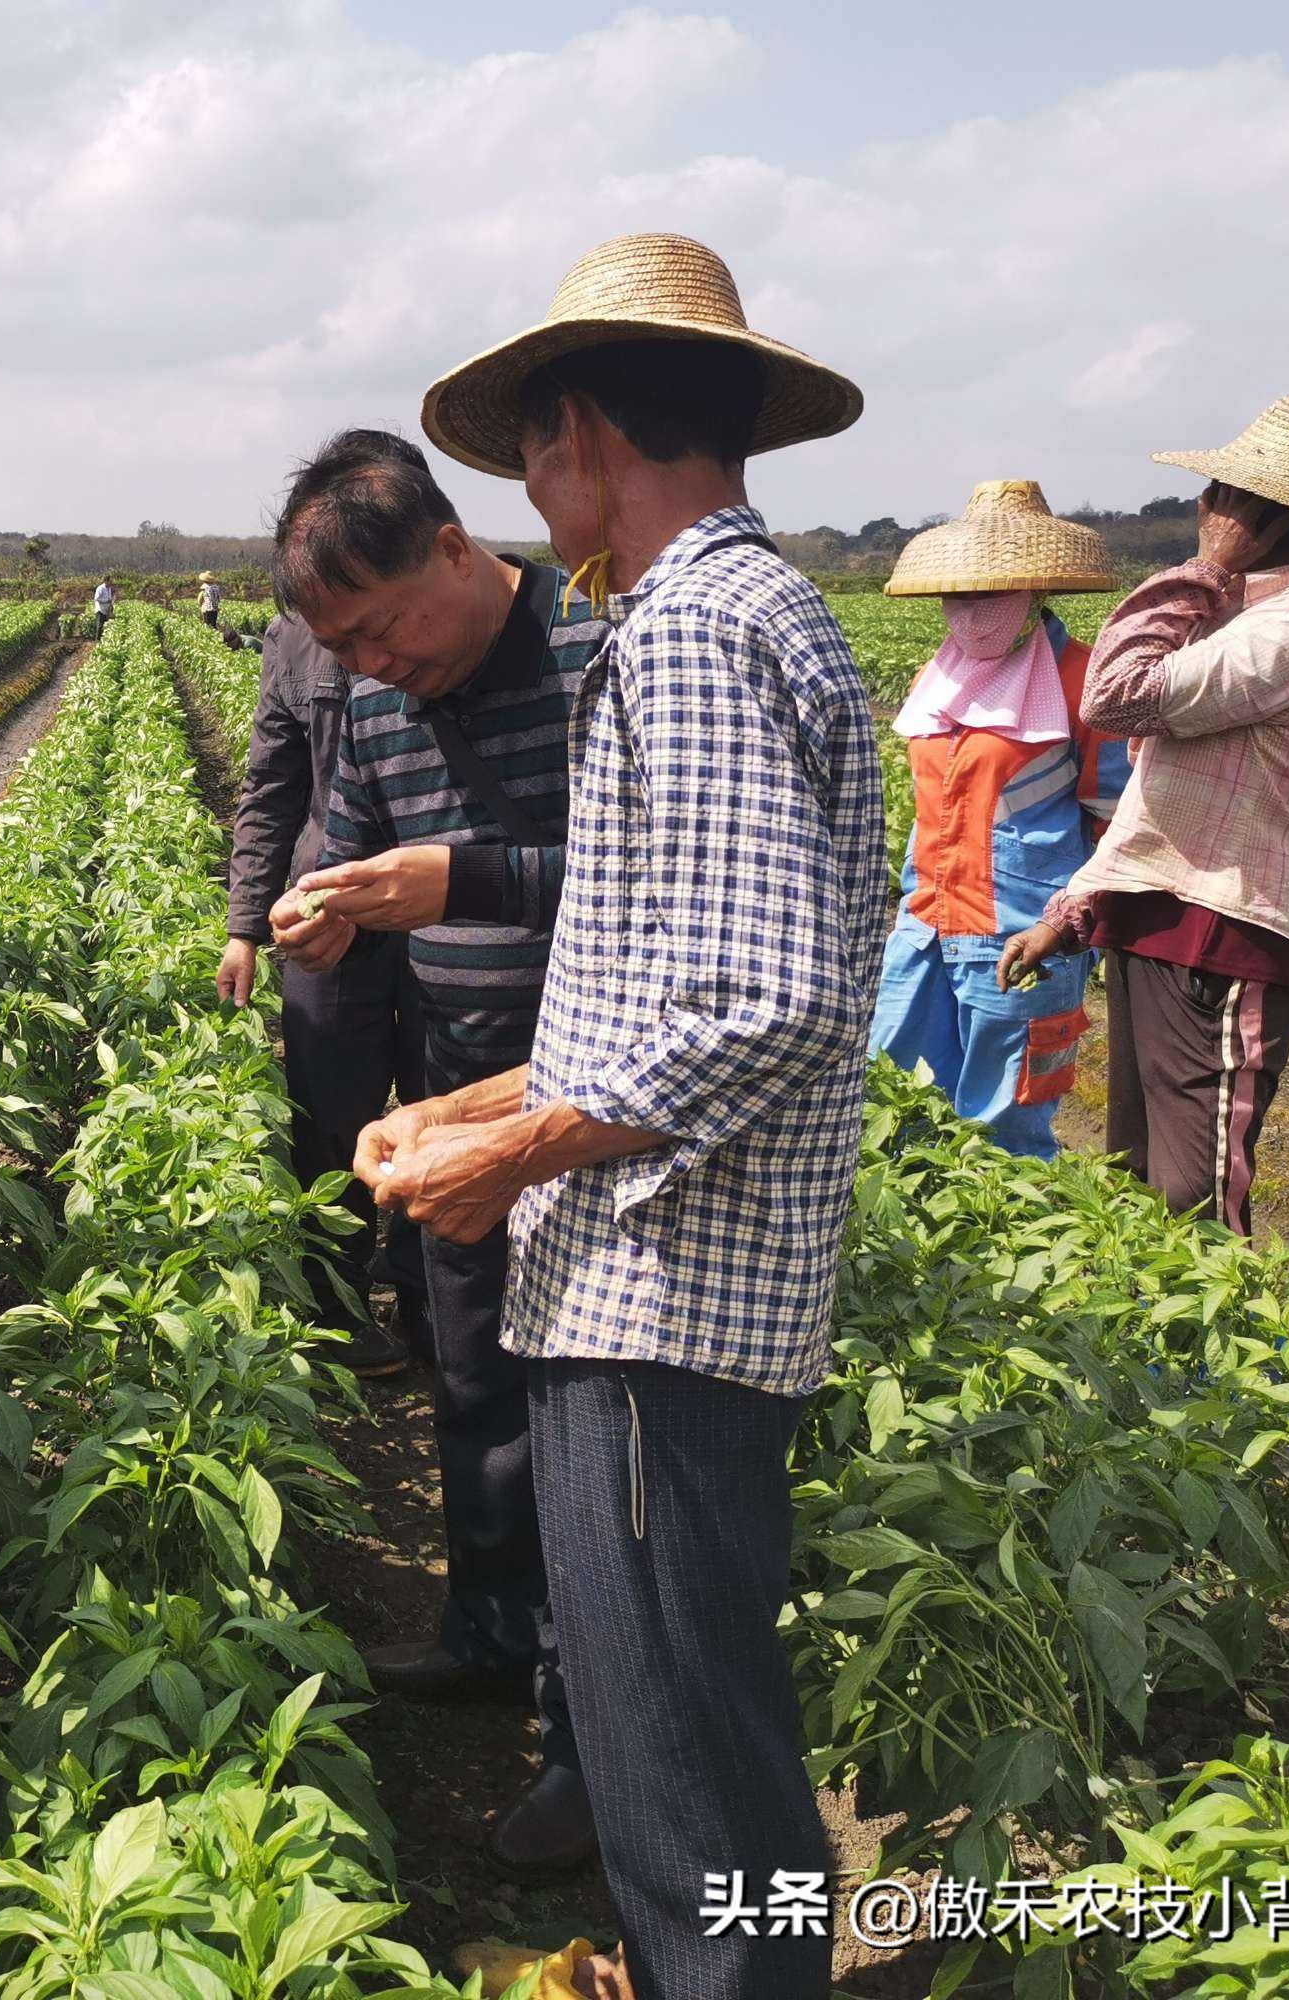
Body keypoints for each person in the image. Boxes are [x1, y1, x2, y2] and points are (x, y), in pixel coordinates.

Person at [382, 232, 884, 1998]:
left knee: (683, 1782)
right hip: (680, 1293)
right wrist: (475, 1099)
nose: (528, 493)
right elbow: (674, 982)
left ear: (581, 430)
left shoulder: (685, 634)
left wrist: (512, 1154)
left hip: (663, 1307)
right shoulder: (756, 612)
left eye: (528, 451)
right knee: (698, 1746)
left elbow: (765, 1000)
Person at [265, 428, 606, 1864]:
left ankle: (584, 1739)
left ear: (455, 552)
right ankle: (482, 1632)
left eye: (381, 625)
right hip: (460, 1085)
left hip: (596, 1110)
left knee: (585, 1419)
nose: (370, 663)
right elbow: (351, 822)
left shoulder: (598, 666)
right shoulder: (378, 691)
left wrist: (453, 877)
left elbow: (644, 872)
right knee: (471, 1377)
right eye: (339, 645)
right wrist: (324, 900)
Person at [1002, 395, 1289, 1236]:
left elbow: (1117, 694)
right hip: (1160, 924)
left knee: (1195, 1198)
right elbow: (1161, 802)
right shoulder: (1239, 621)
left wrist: (1204, 567)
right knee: (1137, 1181)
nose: (1201, 507)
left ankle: (1228, 1361)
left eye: (1218, 493)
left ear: (1260, 517)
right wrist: (1071, 914)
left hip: (1226, 933)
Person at [871, 481, 1125, 1157]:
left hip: (1023, 937)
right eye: (959, 593)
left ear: (1035, 592)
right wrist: (907, 910)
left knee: (1005, 1128)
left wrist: (1067, 925)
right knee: (894, 1102)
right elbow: (931, 815)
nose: (970, 610)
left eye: (991, 592)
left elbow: (1117, 828)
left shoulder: (1083, 680)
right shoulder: (939, 677)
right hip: (925, 929)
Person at [220, 606, 432, 1378]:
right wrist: (244, 925)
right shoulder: (293, 638)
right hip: (328, 907)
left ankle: (426, 1296)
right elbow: (271, 786)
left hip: (451, 902)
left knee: (441, 1102)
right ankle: (337, 1306)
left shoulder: (455, 620)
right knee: (328, 1117)